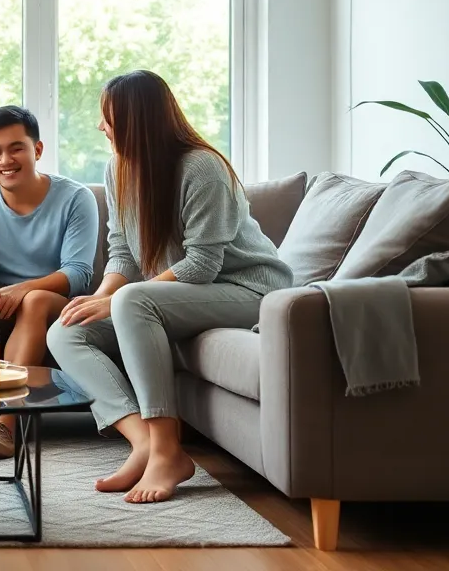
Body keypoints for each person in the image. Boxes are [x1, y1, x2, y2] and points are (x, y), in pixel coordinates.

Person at [47, 70, 293, 503]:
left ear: (136, 121)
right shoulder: (117, 167)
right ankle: (143, 441)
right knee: (65, 330)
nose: (101, 127)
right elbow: (121, 251)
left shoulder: (202, 167)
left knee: (133, 301)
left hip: (248, 290)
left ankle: (166, 449)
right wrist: (102, 298)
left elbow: (201, 265)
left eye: (108, 117)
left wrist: (121, 300)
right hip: (183, 298)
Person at [0, 106, 99, 459]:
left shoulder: (77, 198)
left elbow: (78, 273)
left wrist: (25, 288)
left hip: (53, 305)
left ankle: (7, 424)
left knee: (34, 300)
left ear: (38, 150)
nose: (5, 160)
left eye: (16, 148)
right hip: (0, 306)